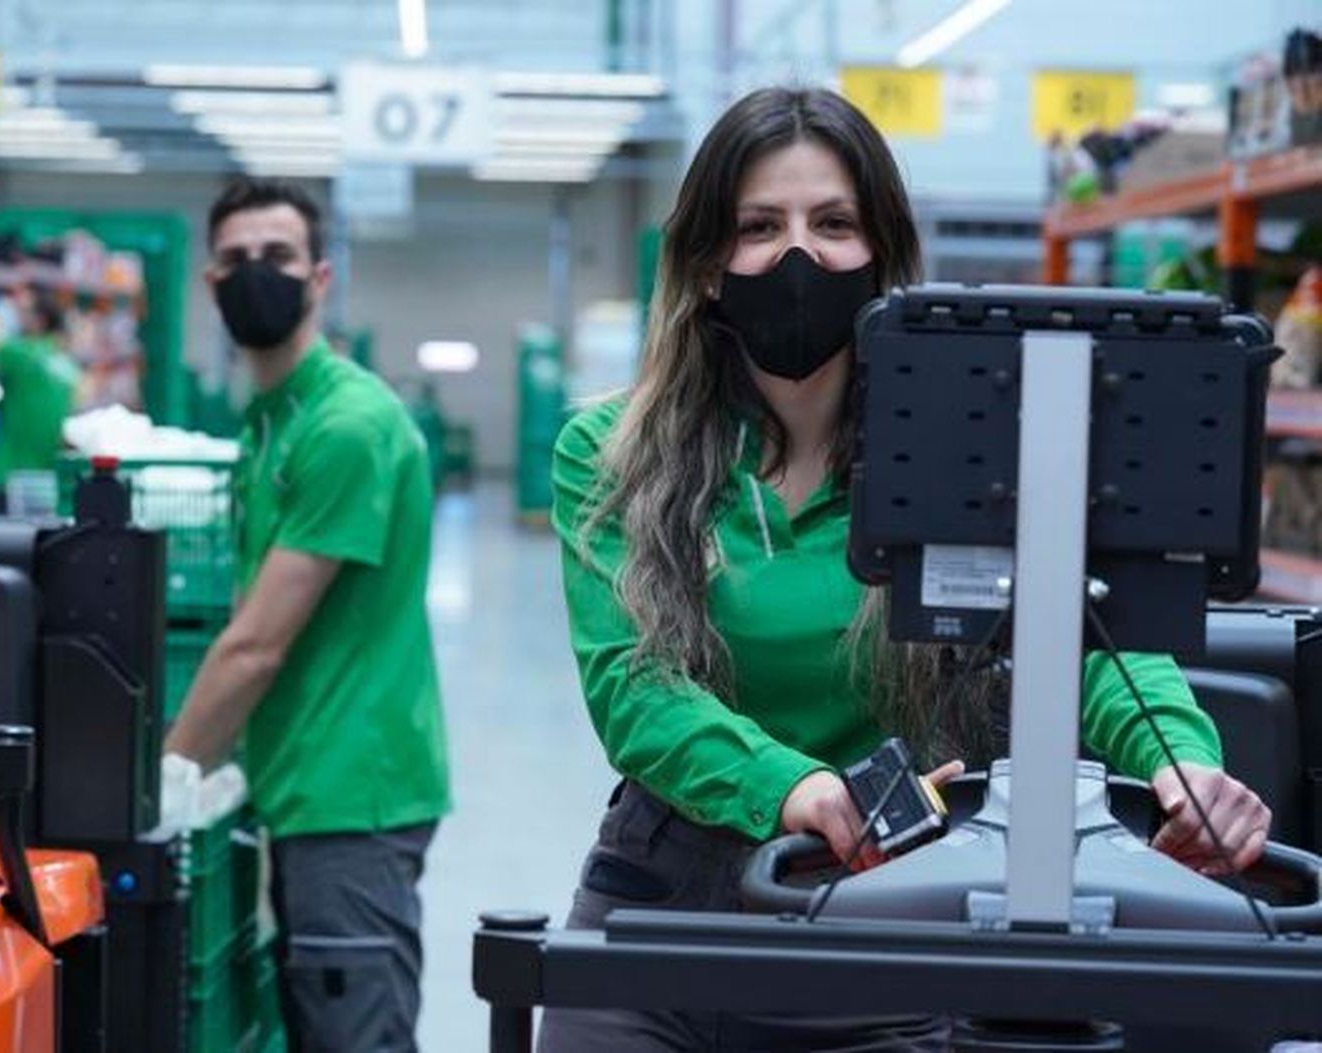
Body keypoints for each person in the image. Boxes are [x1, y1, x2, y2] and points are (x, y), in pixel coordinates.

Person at [537, 86, 1272, 1052]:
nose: (798, 255)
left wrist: (1180, 760)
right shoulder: (609, 451)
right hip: (661, 912)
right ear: (711, 264)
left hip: (886, 906)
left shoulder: (975, 450)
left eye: (833, 223)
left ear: (881, 252)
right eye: (760, 226)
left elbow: (1086, 635)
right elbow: (636, 690)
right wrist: (797, 789)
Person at [162, 177, 451, 1053]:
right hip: (305, 778)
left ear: (320, 277)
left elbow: (254, 644)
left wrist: (160, 780)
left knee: (353, 1033)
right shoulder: (272, 421)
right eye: (238, 260)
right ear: (211, 284)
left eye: (279, 257)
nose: (259, 275)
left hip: (351, 791)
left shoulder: (346, 425)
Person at [0, 287, 81, 509]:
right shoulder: (66, 364)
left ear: (39, 320)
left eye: (24, 312)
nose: (18, 316)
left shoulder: (21, 354)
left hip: (14, 475)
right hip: (50, 477)